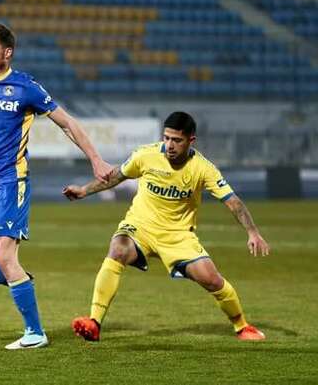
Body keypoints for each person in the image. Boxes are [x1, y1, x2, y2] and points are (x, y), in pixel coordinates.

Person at [0, 23, 113, 349]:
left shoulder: (25, 87)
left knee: (3, 255)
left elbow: (67, 123)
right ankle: (20, 281)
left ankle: (35, 332)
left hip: (10, 183)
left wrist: (96, 161)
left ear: (7, 52)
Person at [63, 111, 270, 342]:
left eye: (177, 140)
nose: (169, 145)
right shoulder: (146, 155)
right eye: (167, 138)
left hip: (178, 236)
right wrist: (84, 190)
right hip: (140, 227)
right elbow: (116, 177)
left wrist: (252, 232)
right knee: (118, 248)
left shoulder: (203, 168)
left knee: (212, 280)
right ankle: (94, 322)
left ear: (191, 140)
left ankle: (242, 327)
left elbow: (233, 202)